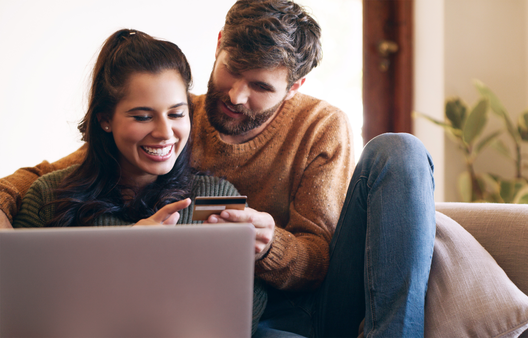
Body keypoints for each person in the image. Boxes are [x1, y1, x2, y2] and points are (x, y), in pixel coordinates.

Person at [0, 0, 436, 337]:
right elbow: (57, 175)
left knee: (400, 151)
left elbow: (321, 259)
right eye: (231, 70)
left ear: (295, 86)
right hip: (229, 309)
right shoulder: (174, 119)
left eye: (262, 86)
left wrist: (270, 246)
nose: (236, 96)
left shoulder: (321, 126)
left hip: (311, 301)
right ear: (219, 42)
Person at [9, 28, 267, 336]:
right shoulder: (48, 197)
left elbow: (242, 313)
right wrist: (122, 256)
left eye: (176, 114)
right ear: (105, 119)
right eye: (143, 117)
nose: (164, 132)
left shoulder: (215, 198)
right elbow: (18, 311)